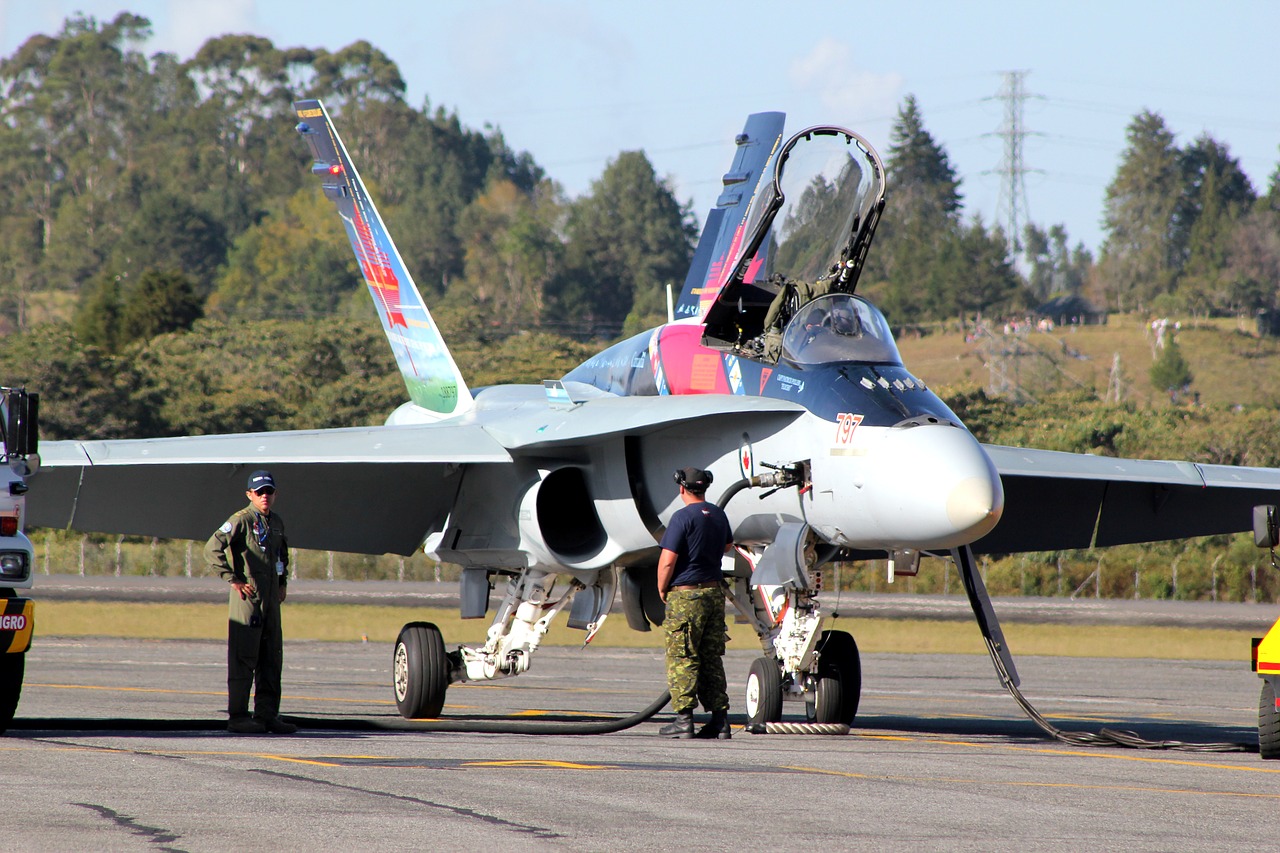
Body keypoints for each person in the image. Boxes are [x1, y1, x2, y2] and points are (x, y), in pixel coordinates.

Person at [206, 469, 296, 735]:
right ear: (250, 495)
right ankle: (238, 716)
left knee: (271, 657)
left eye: (268, 491)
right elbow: (212, 547)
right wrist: (232, 578)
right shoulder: (241, 520)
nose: (264, 496)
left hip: (271, 598)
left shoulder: (276, 522)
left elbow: (281, 554)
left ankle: (267, 715)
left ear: (275, 494)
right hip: (249, 597)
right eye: (259, 492)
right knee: (244, 656)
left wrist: (282, 583)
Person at [656, 466, 734, 739]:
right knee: (711, 657)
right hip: (714, 595)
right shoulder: (718, 514)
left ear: (682, 489)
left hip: (686, 596)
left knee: (683, 656)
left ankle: (684, 719)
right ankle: (720, 721)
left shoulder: (681, 517)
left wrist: (662, 587)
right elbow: (727, 547)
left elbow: (667, 560)